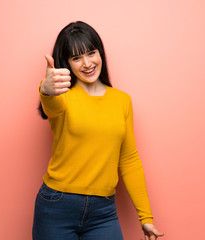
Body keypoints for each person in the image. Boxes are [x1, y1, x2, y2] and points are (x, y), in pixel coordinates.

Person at [33, 21, 163, 240]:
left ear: (100, 53)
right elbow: (51, 106)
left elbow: (129, 159)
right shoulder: (63, 97)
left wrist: (146, 218)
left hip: (103, 212)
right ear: (68, 63)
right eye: (76, 58)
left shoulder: (122, 100)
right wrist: (46, 90)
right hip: (57, 206)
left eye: (91, 53)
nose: (86, 63)